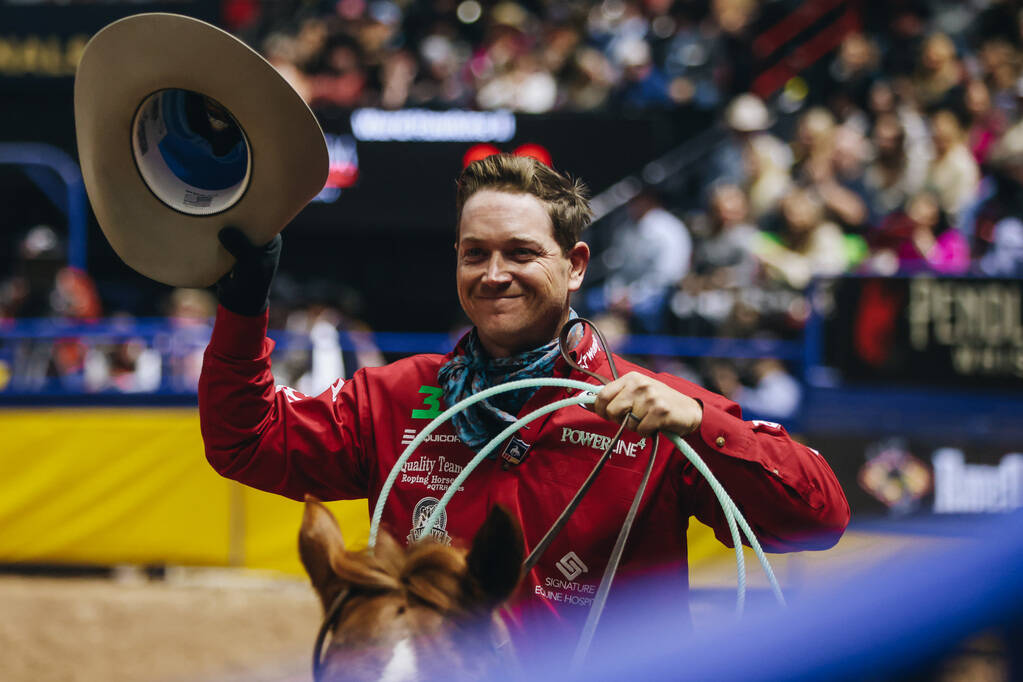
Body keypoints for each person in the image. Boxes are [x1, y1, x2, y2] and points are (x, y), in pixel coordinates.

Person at [199, 154, 849, 653]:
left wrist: (702, 425)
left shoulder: (656, 409)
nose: (493, 273)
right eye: (474, 253)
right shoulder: (395, 397)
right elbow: (246, 443)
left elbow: (818, 517)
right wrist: (242, 307)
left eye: (520, 252)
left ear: (575, 266)